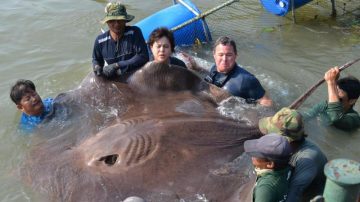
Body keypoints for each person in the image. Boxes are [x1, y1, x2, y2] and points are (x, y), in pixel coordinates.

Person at [259, 107, 328, 202]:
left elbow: (294, 195)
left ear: (286, 140)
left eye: (271, 135)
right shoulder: (289, 149)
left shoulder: (307, 160)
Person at [203, 36, 273, 106]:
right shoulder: (214, 68)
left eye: (229, 55)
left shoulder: (246, 80)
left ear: (236, 55)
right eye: (220, 55)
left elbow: (267, 102)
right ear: (214, 55)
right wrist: (197, 68)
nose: (224, 59)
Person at [92, 2, 149, 78]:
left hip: (136, 76)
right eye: (112, 20)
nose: (116, 24)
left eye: (120, 20)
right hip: (116, 77)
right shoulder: (100, 41)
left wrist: (117, 65)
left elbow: (143, 56)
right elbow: (96, 59)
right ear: (107, 22)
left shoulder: (134, 33)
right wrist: (96, 66)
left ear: (125, 20)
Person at [300, 67, 360, 131]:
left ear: (352, 101)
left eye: (338, 99)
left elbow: (336, 118)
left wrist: (331, 83)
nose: (332, 101)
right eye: (333, 95)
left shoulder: (354, 118)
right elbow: (306, 117)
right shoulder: (324, 105)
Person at [244, 133, 292, 202]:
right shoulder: (286, 166)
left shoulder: (265, 189)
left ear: (270, 164)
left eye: (256, 155)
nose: (252, 157)